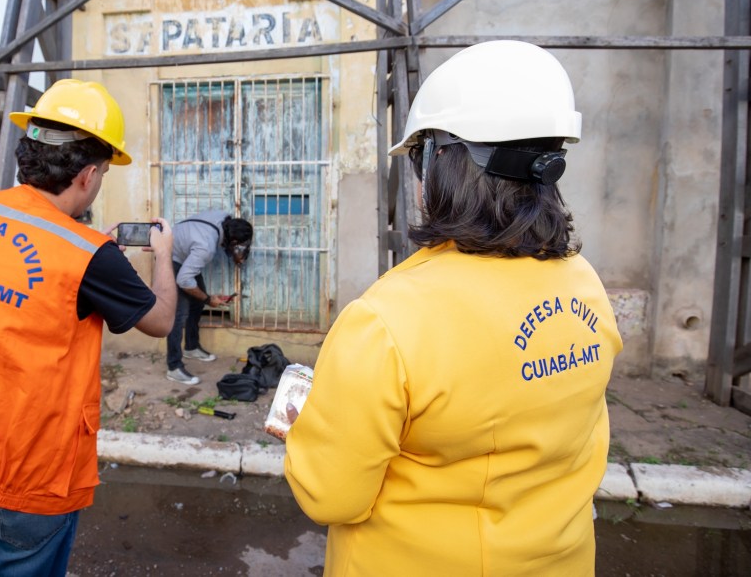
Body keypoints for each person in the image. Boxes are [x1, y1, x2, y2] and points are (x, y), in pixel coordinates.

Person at [283, 41, 624, 576]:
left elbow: (330, 495)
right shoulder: (584, 284)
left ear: (439, 161)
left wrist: (308, 426)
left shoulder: (386, 321)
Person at [0, 79, 177, 576]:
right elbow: (160, 320)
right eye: (104, 173)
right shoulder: (89, 253)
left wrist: (92, 253)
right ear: (88, 176)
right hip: (29, 473)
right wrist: (162, 256)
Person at [165, 210, 253, 385]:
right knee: (179, 315)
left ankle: (191, 347)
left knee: (197, 302)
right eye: (238, 246)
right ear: (232, 241)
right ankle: (173, 367)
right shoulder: (206, 247)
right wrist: (208, 299)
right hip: (171, 257)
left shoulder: (224, 216)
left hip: (185, 254)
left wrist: (203, 298)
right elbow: (184, 280)